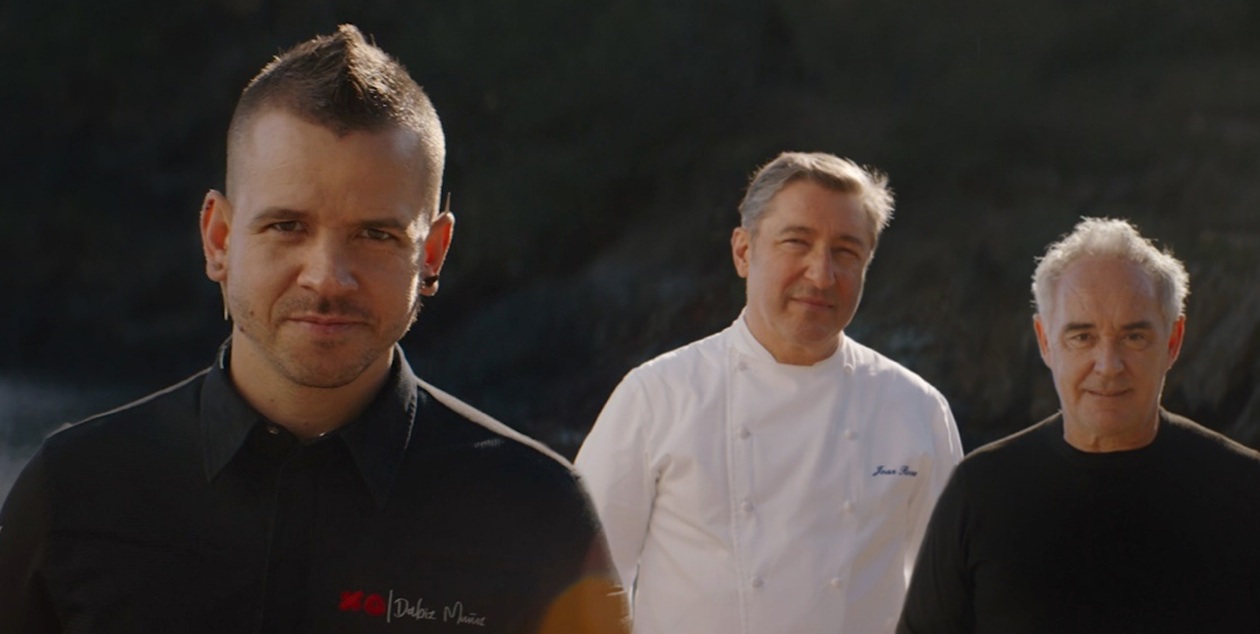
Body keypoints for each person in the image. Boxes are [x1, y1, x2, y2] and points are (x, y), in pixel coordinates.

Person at [0, 25, 627, 633]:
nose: (328, 278)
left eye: (375, 234)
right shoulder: (71, 495)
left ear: (431, 254)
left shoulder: (538, 519)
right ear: (219, 238)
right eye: (287, 227)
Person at [575, 151, 964, 633]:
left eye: (846, 252)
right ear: (743, 252)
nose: (821, 275)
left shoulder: (916, 410)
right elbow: (580, 585)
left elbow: (949, 602)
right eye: (796, 242)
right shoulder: (656, 397)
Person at [897, 217, 1260, 633]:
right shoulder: (979, 491)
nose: (1108, 366)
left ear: (1173, 341)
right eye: (1082, 337)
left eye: (1134, 337)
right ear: (1045, 341)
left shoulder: (1247, 490)